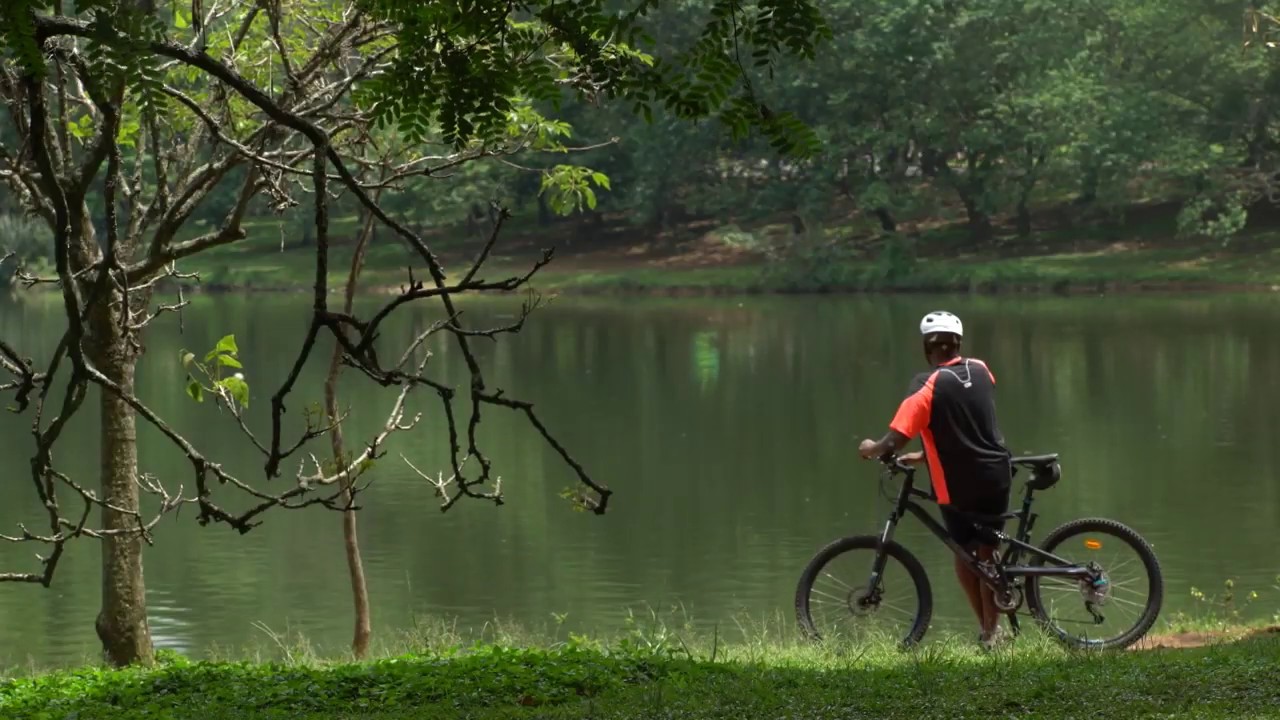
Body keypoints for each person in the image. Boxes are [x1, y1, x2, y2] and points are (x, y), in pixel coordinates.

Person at [857, 310, 1013, 648]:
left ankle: (989, 632)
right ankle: (993, 632)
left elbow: (893, 441)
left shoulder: (926, 386)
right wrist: (927, 455)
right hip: (998, 475)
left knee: (964, 553)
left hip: (959, 485)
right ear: (957, 344)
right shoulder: (982, 370)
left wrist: (869, 448)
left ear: (927, 349)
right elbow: (970, 424)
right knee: (987, 551)